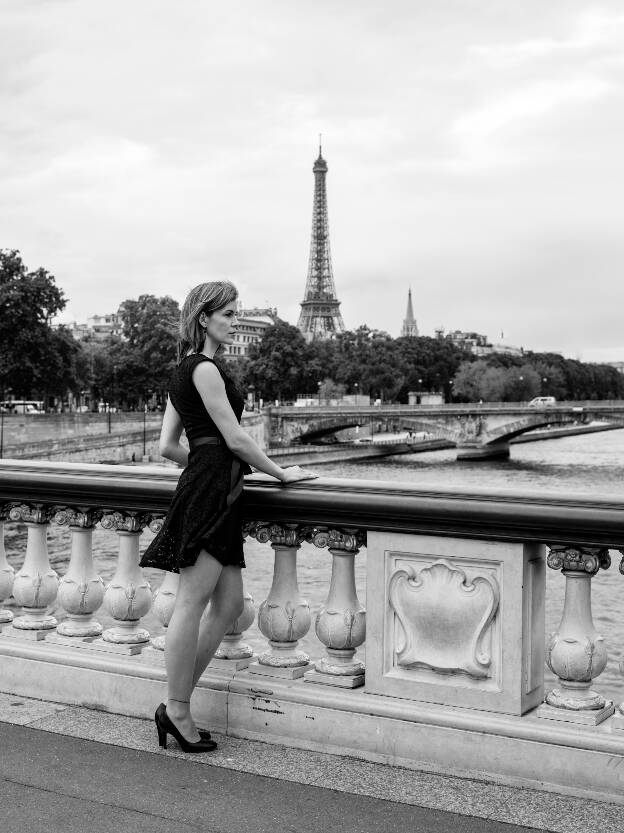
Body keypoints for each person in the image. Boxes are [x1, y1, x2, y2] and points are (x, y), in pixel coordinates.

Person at [140, 280, 317, 753]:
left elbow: (167, 447)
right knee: (192, 604)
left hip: (213, 489)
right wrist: (281, 474)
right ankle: (177, 709)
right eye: (229, 313)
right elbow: (236, 438)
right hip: (213, 496)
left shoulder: (183, 371)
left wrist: (208, 468)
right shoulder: (206, 370)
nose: (235, 320)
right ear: (205, 317)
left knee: (229, 603)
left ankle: (174, 704)